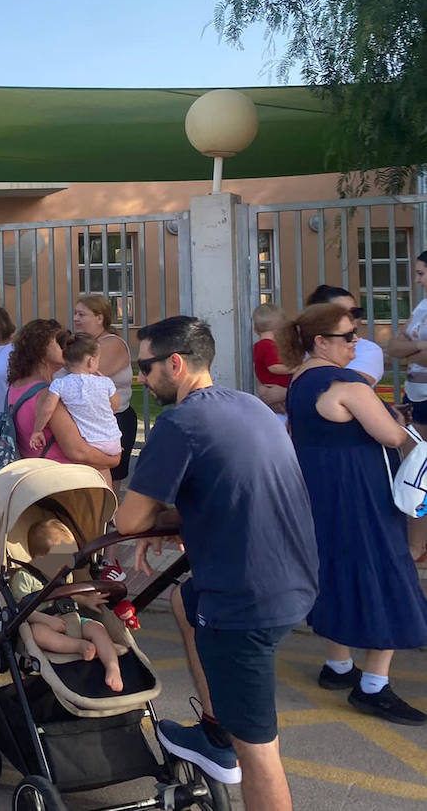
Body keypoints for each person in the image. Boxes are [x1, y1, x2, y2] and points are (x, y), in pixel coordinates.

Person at [116, 316, 318, 811]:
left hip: (245, 602)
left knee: (260, 754)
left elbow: (128, 519)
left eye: (146, 366)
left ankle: (230, 745)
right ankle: (214, 731)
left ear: (176, 364)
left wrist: (155, 520)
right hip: (295, 579)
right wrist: (181, 519)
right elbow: (233, 485)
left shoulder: (180, 423)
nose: (142, 378)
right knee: (186, 601)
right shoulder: (246, 405)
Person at [280, 302, 427, 724]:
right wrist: (394, 419)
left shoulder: (300, 379)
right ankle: (374, 686)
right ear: (321, 341)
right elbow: (392, 434)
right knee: (387, 574)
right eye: (348, 336)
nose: (356, 341)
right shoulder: (348, 383)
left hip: (321, 491)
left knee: (337, 570)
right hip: (362, 492)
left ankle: (338, 665)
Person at [11, 517, 124, 692]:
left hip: (73, 619)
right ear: (41, 558)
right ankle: (78, 646)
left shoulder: (63, 573)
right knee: (37, 633)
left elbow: (70, 594)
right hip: (43, 622)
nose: (70, 565)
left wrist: (86, 600)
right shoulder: (24, 578)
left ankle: (112, 667)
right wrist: (47, 620)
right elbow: (20, 609)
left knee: (98, 627)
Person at [5, 320, 121, 476]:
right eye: (60, 341)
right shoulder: (46, 395)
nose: (68, 344)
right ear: (41, 348)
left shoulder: (17, 386)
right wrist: (113, 459)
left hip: (36, 476)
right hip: (62, 480)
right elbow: (78, 452)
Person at [28, 333, 123, 459]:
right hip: (114, 442)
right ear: (91, 361)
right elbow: (116, 406)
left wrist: (37, 430)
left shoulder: (60, 384)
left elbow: (47, 409)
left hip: (88, 443)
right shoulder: (105, 382)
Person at [72, 296, 136, 478]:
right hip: (89, 422)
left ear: (99, 318)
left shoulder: (112, 343)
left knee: (107, 484)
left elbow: (86, 377)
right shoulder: (84, 345)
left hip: (113, 422)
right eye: (75, 313)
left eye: (81, 314)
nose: (76, 318)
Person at [306, 284, 384, 384]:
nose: (350, 318)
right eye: (340, 313)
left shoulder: (368, 349)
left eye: (354, 312)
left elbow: (348, 385)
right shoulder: (298, 348)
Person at [385, 251, 427, 423]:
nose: (417, 280)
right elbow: (393, 347)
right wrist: (420, 346)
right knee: (415, 449)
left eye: (421, 274)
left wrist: (406, 350)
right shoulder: (422, 306)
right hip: (413, 392)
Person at [251, 304, 293, 415]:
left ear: (256, 330)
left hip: (269, 387)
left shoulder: (260, 345)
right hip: (275, 386)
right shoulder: (268, 345)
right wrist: (294, 368)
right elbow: (274, 367)